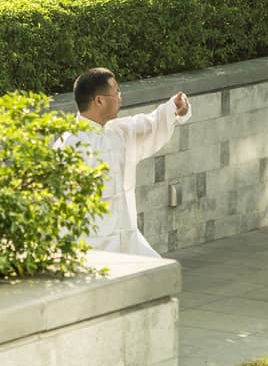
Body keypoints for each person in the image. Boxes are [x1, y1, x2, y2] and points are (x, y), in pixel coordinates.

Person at [57, 67, 191, 258]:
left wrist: (175, 107)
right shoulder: (69, 144)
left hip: (128, 240)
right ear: (99, 100)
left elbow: (151, 123)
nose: (120, 97)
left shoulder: (118, 131)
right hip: (91, 247)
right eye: (116, 92)